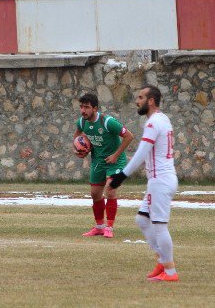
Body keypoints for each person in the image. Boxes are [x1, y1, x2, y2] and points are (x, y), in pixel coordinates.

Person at [108, 85, 179, 282]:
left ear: (151, 101)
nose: (136, 101)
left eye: (140, 97)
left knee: (159, 226)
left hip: (161, 181)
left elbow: (142, 153)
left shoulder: (153, 123)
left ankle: (170, 272)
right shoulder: (162, 119)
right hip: (160, 180)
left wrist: (120, 177)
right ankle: (162, 261)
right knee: (142, 220)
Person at [74, 93, 134, 239]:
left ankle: (109, 227)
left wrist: (115, 155)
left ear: (95, 108)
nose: (83, 110)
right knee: (95, 194)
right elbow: (77, 136)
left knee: (110, 190)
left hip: (115, 161)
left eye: (87, 107)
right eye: (81, 107)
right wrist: (79, 149)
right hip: (98, 162)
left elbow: (129, 136)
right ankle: (99, 227)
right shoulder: (82, 122)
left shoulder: (108, 122)